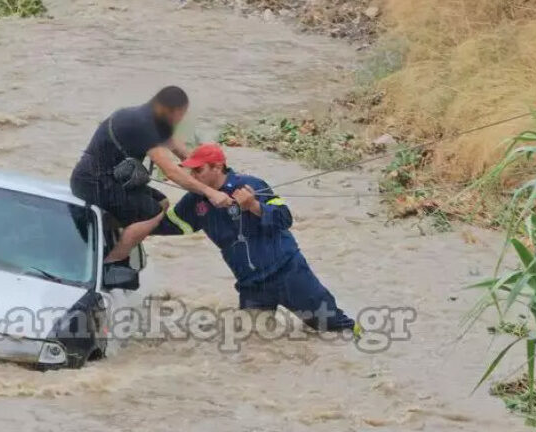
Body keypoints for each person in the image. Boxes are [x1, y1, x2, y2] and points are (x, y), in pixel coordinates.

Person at [153, 143, 357, 333]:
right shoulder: (195, 201)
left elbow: (285, 218)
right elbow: (169, 225)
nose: (193, 176)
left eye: (199, 170)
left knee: (333, 327)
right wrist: (134, 216)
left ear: (217, 167)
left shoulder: (251, 184)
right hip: (252, 286)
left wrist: (254, 206)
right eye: (191, 171)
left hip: (288, 273)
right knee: (255, 346)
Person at [71, 86, 233, 263]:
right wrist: (211, 192)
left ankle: (111, 233)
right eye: (182, 114)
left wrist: (208, 167)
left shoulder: (149, 117)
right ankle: (112, 262)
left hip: (110, 180)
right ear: (169, 110)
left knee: (161, 202)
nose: (182, 120)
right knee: (151, 214)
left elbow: (180, 151)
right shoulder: (144, 125)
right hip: (93, 182)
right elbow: (171, 171)